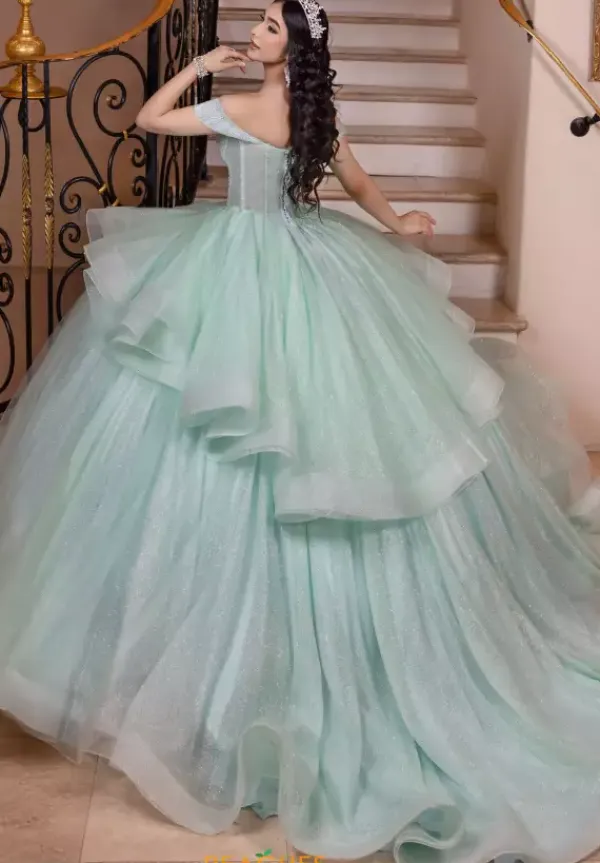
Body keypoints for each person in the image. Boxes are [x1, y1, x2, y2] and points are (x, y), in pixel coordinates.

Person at [1, 1, 600, 861]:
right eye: (260, 26)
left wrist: (199, 69)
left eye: (272, 29)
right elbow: (354, 182)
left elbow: (149, 120)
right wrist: (395, 224)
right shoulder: (313, 116)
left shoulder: (238, 105)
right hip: (304, 259)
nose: (256, 35)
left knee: (237, 419)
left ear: (296, 46)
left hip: (246, 264)